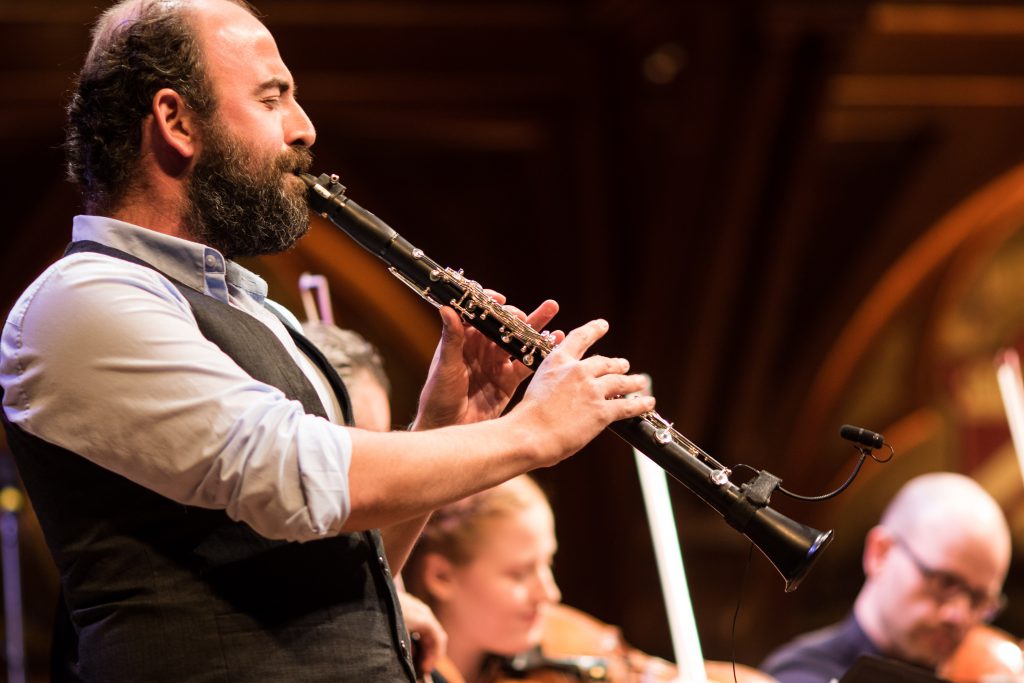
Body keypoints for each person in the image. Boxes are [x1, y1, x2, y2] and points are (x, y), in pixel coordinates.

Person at [0, 0, 656, 680]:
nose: (303, 127)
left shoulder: (261, 314)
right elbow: (289, 475)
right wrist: (532, 434)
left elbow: (342, 561)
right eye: (273, 97)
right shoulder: (82, 299)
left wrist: (442, 423)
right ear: (176, 120)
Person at [759, 472, 1012, 683]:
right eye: (944, 582)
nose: (959, 615)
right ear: (879, 553)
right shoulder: (797, 674)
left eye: (980, 599)